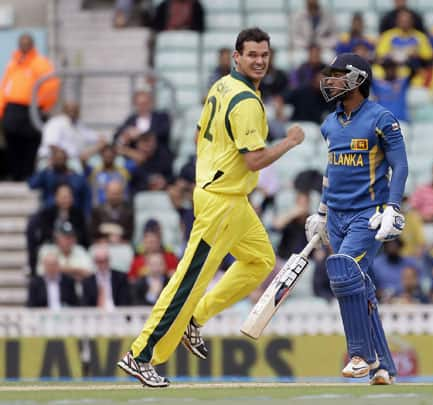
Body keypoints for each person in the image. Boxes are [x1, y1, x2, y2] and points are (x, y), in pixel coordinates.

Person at [117, 28, 305, 387]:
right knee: (189, 279)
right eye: (252, 54)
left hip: (228, 197)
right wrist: (291, 141)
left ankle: (194, 320)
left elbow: (198, 134)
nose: (259, 61)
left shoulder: (222, 86)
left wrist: (211, 169)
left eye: (264, 54)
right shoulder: (246, 101)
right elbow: (254, 160)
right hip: (221, 200)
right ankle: (141, 354)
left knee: (261, 260)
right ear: (237, 57)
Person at [306, 53, 408, 385]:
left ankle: (361, 356)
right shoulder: (329, 123)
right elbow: (331, 171)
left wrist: (393, 207)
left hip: (369, 213)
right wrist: (321, 213)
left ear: (358, 80)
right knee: (360, 289)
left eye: (338, 76)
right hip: (336, 215)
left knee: (343, 270)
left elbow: (400, 165)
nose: (331, 81)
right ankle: (384, 367)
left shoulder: (382, 118)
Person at [0, 33, 59, 181]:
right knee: (12, 141)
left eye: (27, 43)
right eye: (22, 43)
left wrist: (43, 105)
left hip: (31, 108)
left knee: (31, 142)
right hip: (12, 108)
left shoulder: (41, 63)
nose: (24, 46)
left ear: (32, 45)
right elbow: (5, 86)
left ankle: (28, 174)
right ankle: (15, 173)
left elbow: (51, 85)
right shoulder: (13, 63)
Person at [37, 101, 103, 168]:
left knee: (97, 162)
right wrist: (63, 159)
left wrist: (89, 153)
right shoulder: (55, 123)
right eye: (70, 110)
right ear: (64, 110)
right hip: (54, 161)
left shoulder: (79, 125)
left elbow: (101, 139)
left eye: (75, 111)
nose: (73, 113)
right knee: (77, 167)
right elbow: (52, 145)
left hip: (74, 160)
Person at [28, 147, 92, 215]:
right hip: (50, 213)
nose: (59, 161)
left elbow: (87, 196)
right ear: (52, 160)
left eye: (61, 159)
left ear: (66, 159)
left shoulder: (76, 177)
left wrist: (86, 214)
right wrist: (46, 168)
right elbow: (32, 184)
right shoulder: (47, 175)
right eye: (57, 159)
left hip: (73, 214)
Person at [376, 9, 433, 86]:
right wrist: (392, 55)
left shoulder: (420, 37)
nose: (405, 23)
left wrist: (417, 54)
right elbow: (380, 53)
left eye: (407, 21)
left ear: (412, 21)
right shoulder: (388, 35)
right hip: (392, 71)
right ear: (397, 21)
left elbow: (428, 55)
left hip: (413, 71)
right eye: (402, 20)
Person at [82, 244, 131, 308]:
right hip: (95, 315)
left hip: (117, 313)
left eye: (105, 261)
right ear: (95, 262)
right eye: (99, 261)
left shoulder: (120, 277)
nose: (103, 264)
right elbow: (86, 304)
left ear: (109, 260)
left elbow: (124, 300)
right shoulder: (88, 281)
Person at [371, 56, 414, 123]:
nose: (390, 70)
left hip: (401, 121)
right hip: (383, 123)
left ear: (396, 69)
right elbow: (365, 72)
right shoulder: (377, 83)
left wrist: (403, 62)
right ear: (384, 69)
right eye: (387, 68)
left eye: (393, 68)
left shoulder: (402, 82)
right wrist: (376, 61)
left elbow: (414, 69)